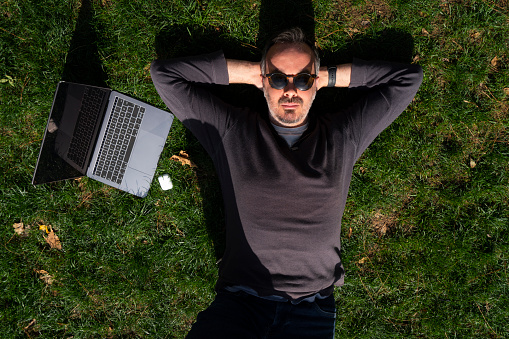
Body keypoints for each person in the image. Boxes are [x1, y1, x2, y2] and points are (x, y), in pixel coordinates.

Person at [151, 27, 423, 338]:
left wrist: (328, 78)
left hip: (311, 309)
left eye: (303, 79)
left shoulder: (342, 135)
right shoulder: (230, 130)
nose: (290, 90)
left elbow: (408, 79)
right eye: (278, 79)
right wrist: (254, 73)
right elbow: (165, 75)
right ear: (263, 83)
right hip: (242, 303)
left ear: (315, 83)